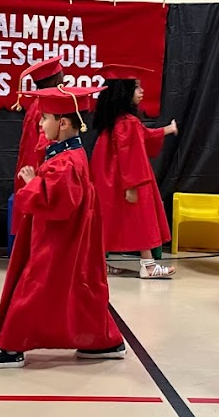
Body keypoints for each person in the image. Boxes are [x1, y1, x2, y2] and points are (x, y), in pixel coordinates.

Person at [0, 86, 126, 369]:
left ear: (63, 123)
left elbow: (57, 203)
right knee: (79, 289)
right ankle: (105, 341)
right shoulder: (69, 153)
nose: (41, 124)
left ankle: (12, 346)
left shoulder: (66, 162)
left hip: (57, 239)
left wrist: (32, 185)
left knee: (34, 286)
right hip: (70, 236)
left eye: (45, 118)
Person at [90, 64, 179, 279]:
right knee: (142, 218)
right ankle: (148, 265)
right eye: (137, 87)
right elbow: (129, 155)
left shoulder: (116, 121)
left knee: (107, 219)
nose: (142, 91)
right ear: (124, 93)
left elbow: (143, 135)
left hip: (108, 178)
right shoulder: (127, 122)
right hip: (127, 178)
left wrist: (166, 130)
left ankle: (99, 263)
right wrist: (132, 185)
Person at [11, 56, 65, 192]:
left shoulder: (38, 105)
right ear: (56, 80)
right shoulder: (45, 108)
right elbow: (41, 145)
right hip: (37, 170)